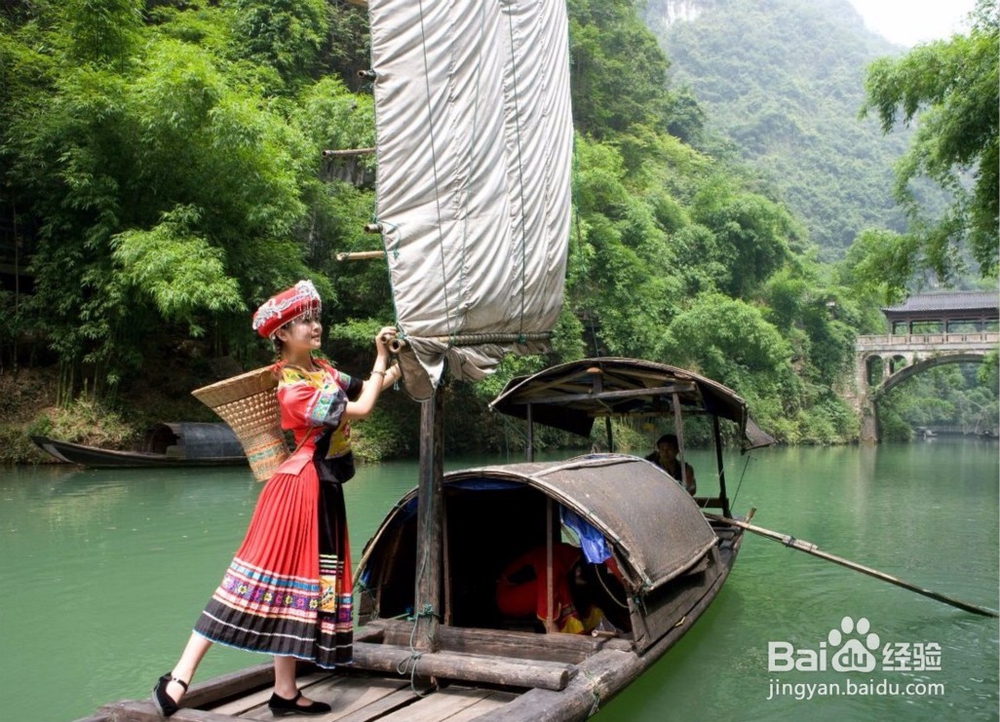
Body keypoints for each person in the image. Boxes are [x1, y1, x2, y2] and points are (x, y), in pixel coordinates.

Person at [151, 280, 401, 718]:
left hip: (323, 489)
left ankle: (285, 691)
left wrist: (399, 358)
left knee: (297, 587)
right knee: (248, 581)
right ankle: (179, 677)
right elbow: (361, 408)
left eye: (316, 318)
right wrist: (382, 361)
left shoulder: (324, 371)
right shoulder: (292, 388)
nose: (315, 326)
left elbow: (365, 387)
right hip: (297, 489)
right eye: (304, 321)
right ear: (282, 333)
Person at [495, 542, 606, 635]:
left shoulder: (571, 556)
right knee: (559, 585)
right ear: (579, 571)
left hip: (527, 590)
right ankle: (572, 634)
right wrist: (557, 642)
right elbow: (546, 605)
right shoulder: (554, 562)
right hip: (508, 597)